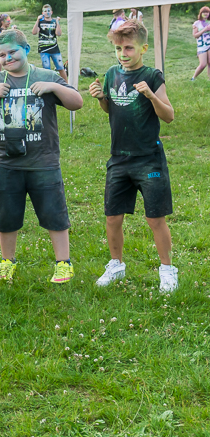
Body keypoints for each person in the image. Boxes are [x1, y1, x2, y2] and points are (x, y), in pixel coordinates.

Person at [0, 29, 84, 285]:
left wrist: (53, 87)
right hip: (6, 163)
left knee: (54, 213)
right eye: (2, 54)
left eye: (13, 52)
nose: (8, 58)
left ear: (27, 49)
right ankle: (7, 261)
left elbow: (77, 102)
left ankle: (63, 262)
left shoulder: (45, 76)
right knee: (7, 216)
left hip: (43, 162)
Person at [88, 20, 177, 293]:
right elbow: (111, 108)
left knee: (155, 218)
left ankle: (167, 270)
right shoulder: (112, 74)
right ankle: (116, 265)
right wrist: (101, 98)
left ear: (143, 48)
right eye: (118, 48)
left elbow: (169, 115)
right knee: (112, 217)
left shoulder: (152, 76)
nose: (122, 53)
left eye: (128, 48)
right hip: (119, 158)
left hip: (148, 158)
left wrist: (151, 96)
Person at [32, 5, 64, 78]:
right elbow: (34, 32)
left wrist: (57, 22)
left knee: (60, 67)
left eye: (49, 11)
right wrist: (37, 20)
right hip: (44, 49)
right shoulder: (40, 22)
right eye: (45, 11)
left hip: (54, 48)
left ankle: (66, 83)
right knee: (46, 69)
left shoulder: (54, 22)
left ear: (51, 12)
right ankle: (48, 83)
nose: (47, 12)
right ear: (42, 13)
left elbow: (58, 34)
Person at [190, 6, 210, 81]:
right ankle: (193, 78)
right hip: (202, 46)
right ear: (201, 13)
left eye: (207, 12)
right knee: (203, 64)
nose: (205, 14)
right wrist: (205, 29)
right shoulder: (197, 23)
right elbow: (195, 35)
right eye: (204, 12)